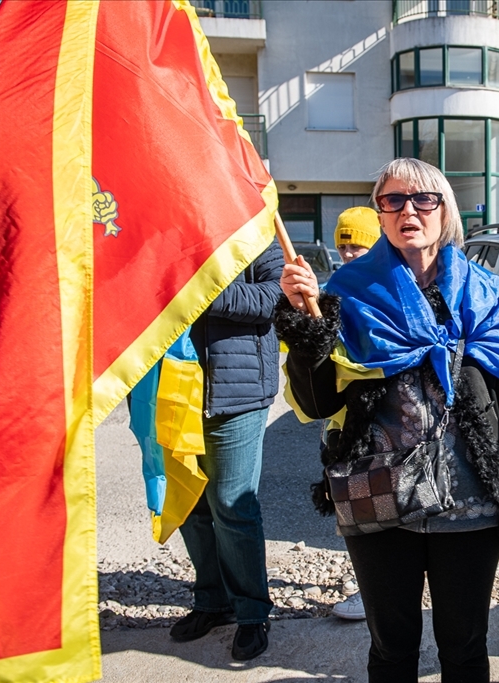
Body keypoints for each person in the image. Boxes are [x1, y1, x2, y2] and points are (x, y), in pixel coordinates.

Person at [275, 157, 499, 682]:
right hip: (379, 497)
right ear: (381, 214)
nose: (407, 209)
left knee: (464, 647)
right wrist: (306, 326)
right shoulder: (347, 293)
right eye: (392, 200)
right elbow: (318, 402)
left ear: (444, 210)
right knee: (392, 648)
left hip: (471, 503)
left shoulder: (487, 294)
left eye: (422, 199)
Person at [168, 240, 284, 661]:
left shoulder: (251, 226)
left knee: (232, 505)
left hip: (238, 392)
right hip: (171, 390)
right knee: (190, 502)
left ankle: (252, 611)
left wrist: (198, 293)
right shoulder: (162, 228)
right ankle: (211, 601)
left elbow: (276, 295)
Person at [327, 205, 381, 622]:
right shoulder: (335, 287)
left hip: (383, 416)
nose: (349, 254)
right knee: (355, 501)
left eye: (358, 245)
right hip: (345, 416)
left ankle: (379, 590)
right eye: (344, 245)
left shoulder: (386, 288)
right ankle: (372, 587)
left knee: (381, 504)